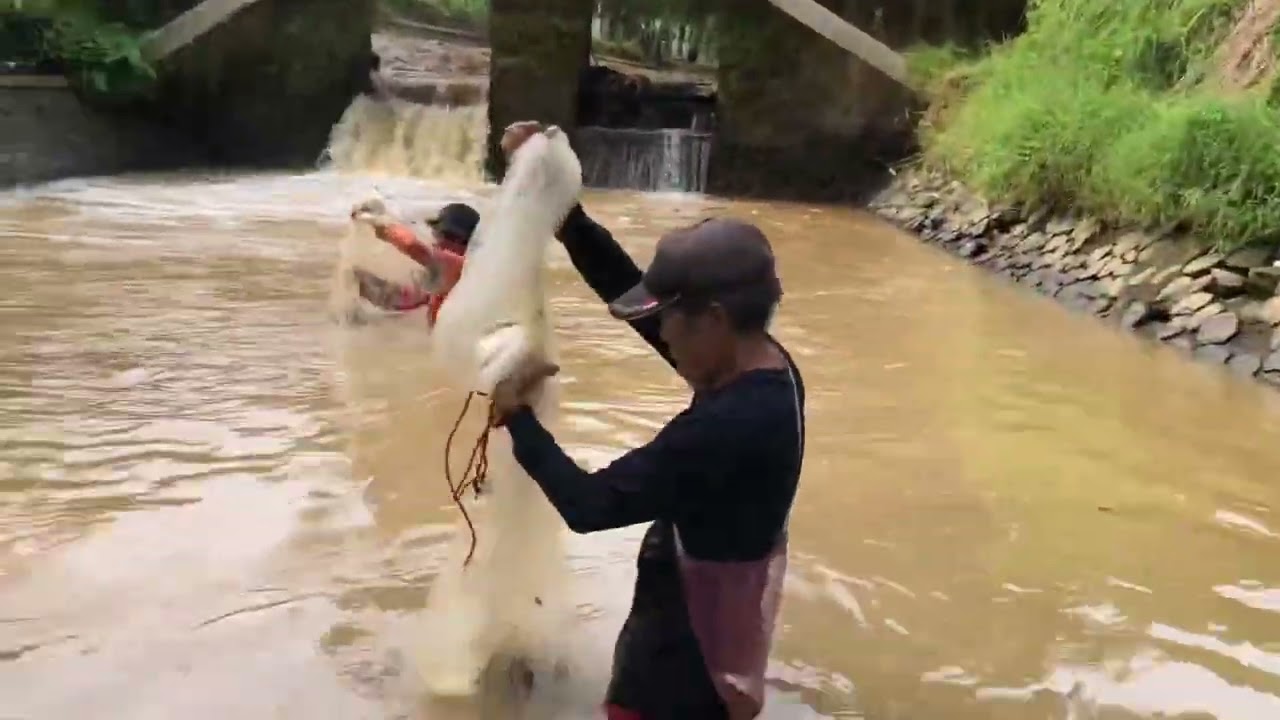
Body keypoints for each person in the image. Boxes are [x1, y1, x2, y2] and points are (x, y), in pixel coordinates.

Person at [482, 126, 807, 720]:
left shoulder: (722, 429)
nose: (664, 340)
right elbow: (634, 298)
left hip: (676, 669)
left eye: (672, 326)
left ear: (712, 321)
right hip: (725, 632)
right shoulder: (771, 367)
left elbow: (589, 505)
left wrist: (517, 420)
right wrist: (564, 212)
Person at [348, 201, 479, 327]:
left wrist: (382, 225)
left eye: (440, 235)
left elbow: (413, 246)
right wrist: (366, 285)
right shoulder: (445, 277)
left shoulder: (463, 266)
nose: (436, 241)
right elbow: (405, 298)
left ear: (458, 239)